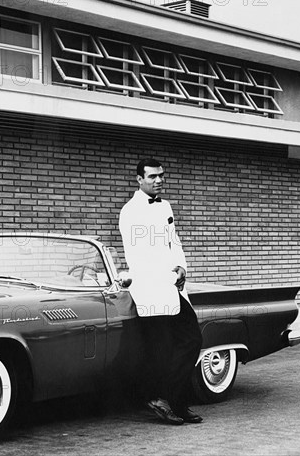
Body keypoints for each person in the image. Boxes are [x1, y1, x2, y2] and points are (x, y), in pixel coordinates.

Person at [118, 158, 203, 425]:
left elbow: (173, 241)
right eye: (152, 176)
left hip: (171, 285)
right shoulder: (130, 212)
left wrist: (181, 266)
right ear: (138, 180)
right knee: (165, 345)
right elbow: (139, 256)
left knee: (190, 339)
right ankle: (164, 399)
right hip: (150, 287)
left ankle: (172, 400)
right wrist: (168, 276)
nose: (158, 180)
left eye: (161, 176)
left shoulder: (165, 206)